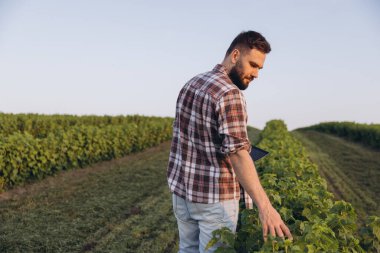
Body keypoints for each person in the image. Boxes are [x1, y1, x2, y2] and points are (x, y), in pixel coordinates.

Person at [167, 30, 292, 253]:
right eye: (253, 64)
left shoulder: (192, 83)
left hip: (182, 193)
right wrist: (266, 208)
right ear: (235, 55)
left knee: (187, 249)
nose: (256, 74)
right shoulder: (229, 94)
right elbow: (237, 153)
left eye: (260, 68)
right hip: (214, 199)